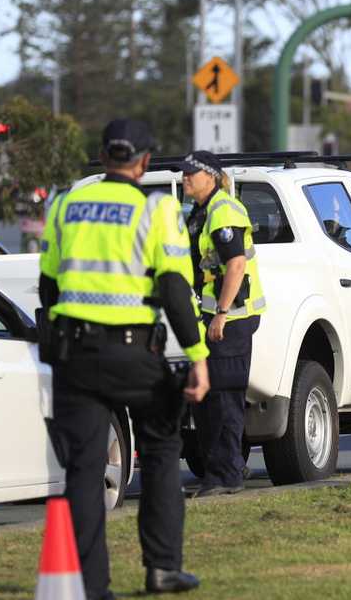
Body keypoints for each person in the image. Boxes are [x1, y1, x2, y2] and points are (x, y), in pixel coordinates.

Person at [39, 119, 210, 599]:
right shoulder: (157, 210)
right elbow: (175, 290)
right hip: (137, 355)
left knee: (85, 470)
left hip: (77, 355)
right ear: (145, 161)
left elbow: (49, 286)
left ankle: (91, 587)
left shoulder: (65, 206)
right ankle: (162, 569)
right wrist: (197, 355)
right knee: (160, 451)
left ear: (102, 156)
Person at [177, 150, 265, 498]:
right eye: (183, 174)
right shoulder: (201, 211)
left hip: (231, 320)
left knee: (223, 399)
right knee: (211, 400)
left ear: (211, 177)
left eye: (190, 174)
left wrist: (222, 313)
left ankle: (225, 476)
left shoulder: (223, 210)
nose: (185, 179)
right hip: (212, 318)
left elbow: (236, 265)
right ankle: (225, 470)